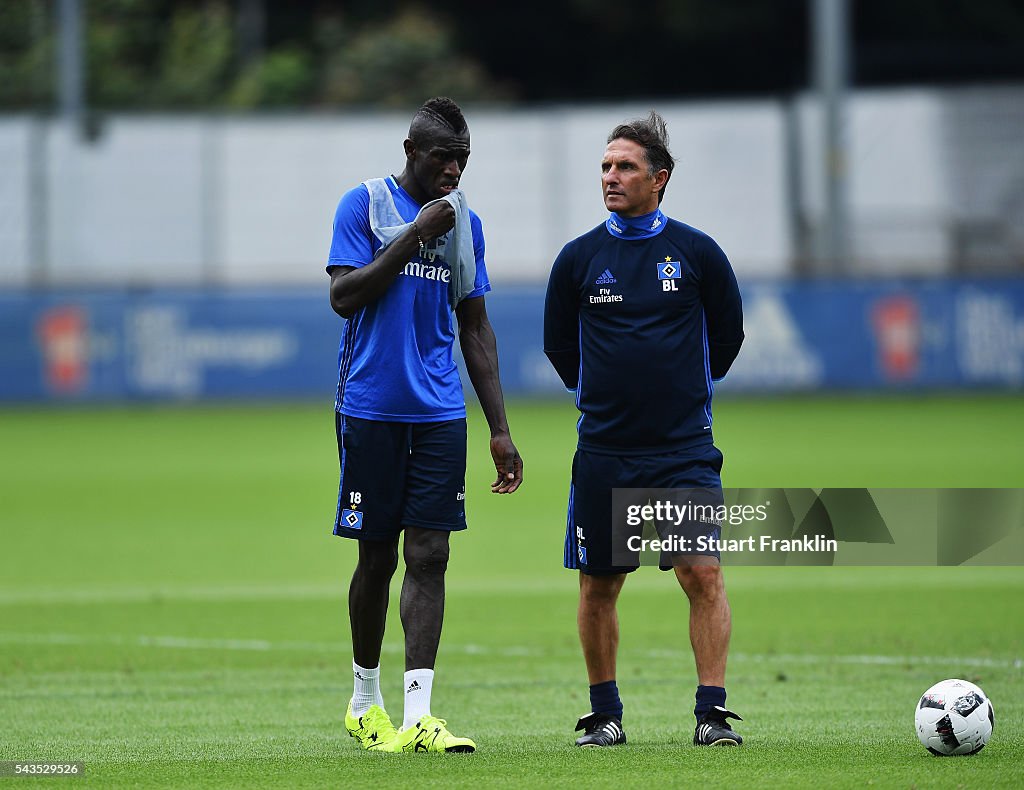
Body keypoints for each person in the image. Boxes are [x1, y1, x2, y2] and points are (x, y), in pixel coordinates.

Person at [326, 96, 523, 754]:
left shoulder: (468, 226)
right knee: (377, 555)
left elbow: (475, 325)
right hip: (371, 407)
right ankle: (363, 702)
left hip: (439, 412)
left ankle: (418, 716)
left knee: (431, 555)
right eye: (444, 158)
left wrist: (498, 427)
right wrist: (413, 234)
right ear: (412, 152)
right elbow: (343, 296)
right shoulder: (364, 205)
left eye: (463, 160)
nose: (454, 171)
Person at [543, 111, 745, 748]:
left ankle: (711, 716)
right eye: (605, 166)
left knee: (702, 573)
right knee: (600, 584)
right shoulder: (578, 259)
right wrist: (610, 397)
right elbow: (558, 349)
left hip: (683, 452)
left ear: (659, 178)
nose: (611, 176)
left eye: (625, 166)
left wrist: (680, 394)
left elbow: (728, 333)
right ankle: (604, 715)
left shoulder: (695, 252)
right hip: (605, 451)